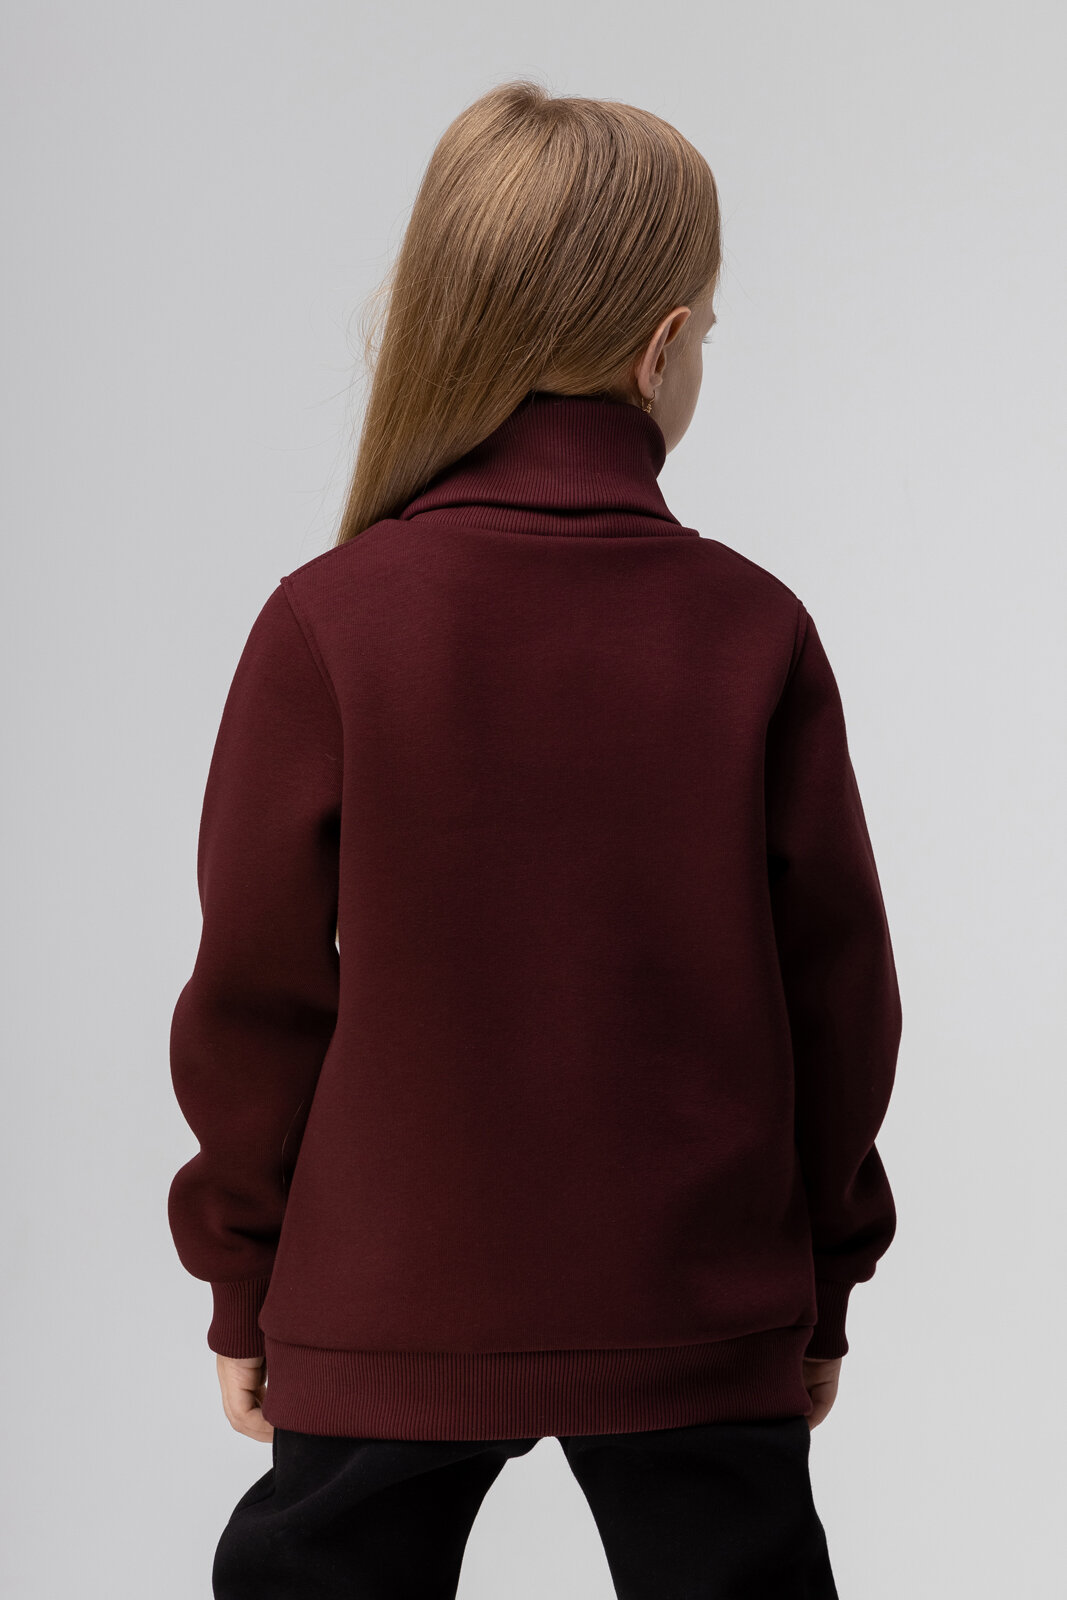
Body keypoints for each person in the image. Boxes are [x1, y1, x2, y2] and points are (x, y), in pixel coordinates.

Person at [168, 78, 901, 1599]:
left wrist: (245, 1277)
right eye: (709, 333)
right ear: (660, 348)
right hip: (694, 1299)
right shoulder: (751, 629)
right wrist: (824, 1279)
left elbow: (252, 995)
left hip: (390, 1299)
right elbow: (841, 999)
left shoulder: (329, 622)